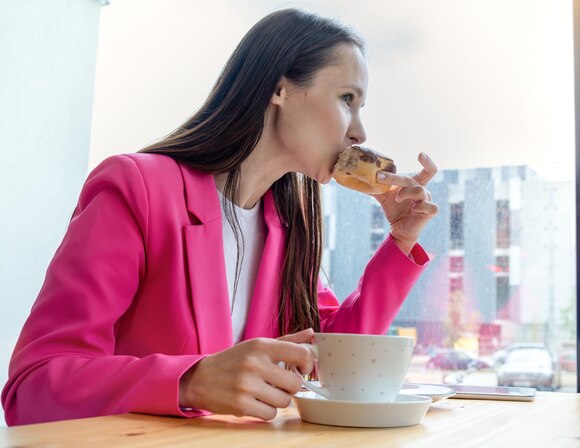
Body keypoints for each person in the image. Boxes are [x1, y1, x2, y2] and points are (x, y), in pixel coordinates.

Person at [1, 8, 438, 426]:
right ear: (280, 89)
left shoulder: (287, 230)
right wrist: (191, 381)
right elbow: (34, 387)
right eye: (347, 99)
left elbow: (331, 361)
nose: (360, 132)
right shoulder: (136, 188)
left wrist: (398, 244)